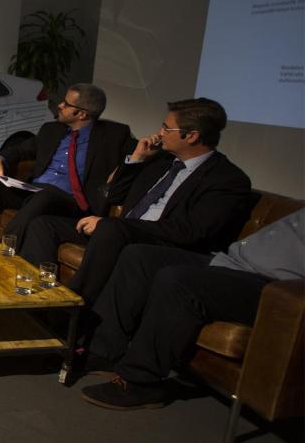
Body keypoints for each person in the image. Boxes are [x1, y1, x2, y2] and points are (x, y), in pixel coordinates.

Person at [18, 98, 253, 308]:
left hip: (157, 243)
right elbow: (114, 196)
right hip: (121, 232)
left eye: (166, 128)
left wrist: (121, 227)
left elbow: (191, 231)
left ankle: (71, 306)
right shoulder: (161, 160)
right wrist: (137, 159)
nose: (159, 133)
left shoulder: (227, 179)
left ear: (191, 136)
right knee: (44, 225)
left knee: (111, 228)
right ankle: (38, 296)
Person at [79, 210, 304, 410]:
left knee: (177, 280)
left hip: (269, 287)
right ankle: (104, 351)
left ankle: (141, 382)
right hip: (228, 261)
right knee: (138, 256)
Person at [0, 83, 135, 244]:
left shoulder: (113, 136)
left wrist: (132, 161)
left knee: (45, 197)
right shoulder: (51, 130)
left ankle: (6, 248)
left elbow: (138, 154)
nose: (60, 105)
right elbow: (20, 149)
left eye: (67, 104)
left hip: (70, 202)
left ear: (82, 114)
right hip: (34, 192)